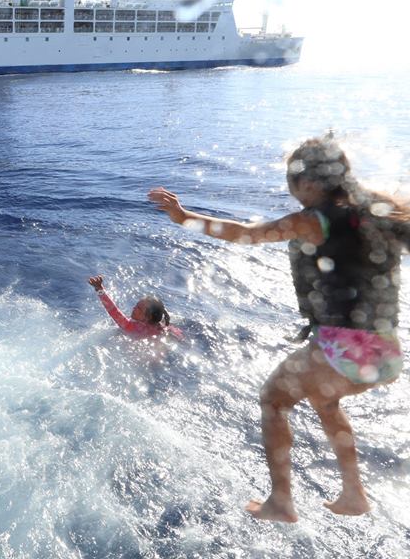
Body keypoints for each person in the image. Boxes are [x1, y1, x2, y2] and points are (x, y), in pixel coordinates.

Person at [148, 136, 409, 523]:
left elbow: (244, 233)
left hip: (342, 350)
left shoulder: (311, 219)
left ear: (306, 182)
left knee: (273, 400)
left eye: (293, 181)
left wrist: (184, 217)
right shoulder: (375, 212)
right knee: (324, 400)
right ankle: (354, 494)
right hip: (385, 354)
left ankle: (281, 501)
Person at [87, 274, 183, 340]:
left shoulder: (130, 327)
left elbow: (113, 310)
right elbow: (178, 335)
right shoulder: (161, 327)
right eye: (136, 305)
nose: (134, 308)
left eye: (139, 309)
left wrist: (99, 289)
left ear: (147, 317)